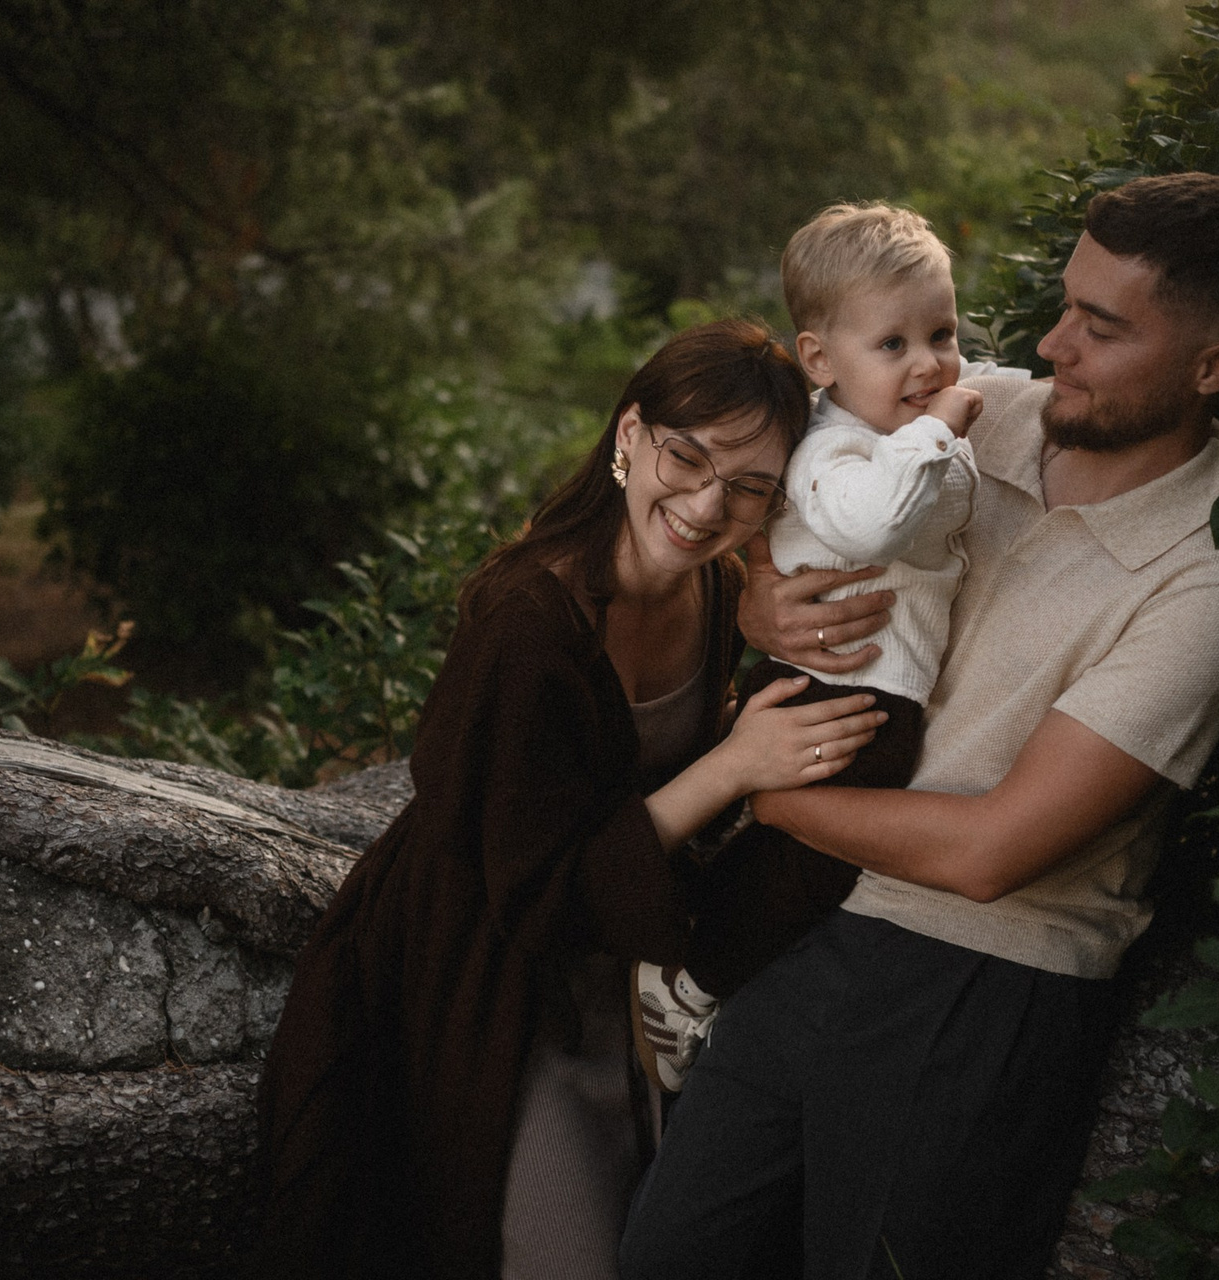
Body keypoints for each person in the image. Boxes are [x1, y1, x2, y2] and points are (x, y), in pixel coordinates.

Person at [621, 171, 1219, 1279]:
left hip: (977, 990)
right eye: (1066, 305)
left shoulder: (1209, 585)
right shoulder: (983, 411)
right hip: (803, 922)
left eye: (1101, 327)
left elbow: (992, 853)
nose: (1053, 343)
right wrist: (759, 590)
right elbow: (785, 486)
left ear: (1213, 366)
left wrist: (759, 787)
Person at [252, 319, 888, 1280]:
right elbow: (536, 882)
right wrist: (733, 765)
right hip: (489, 957)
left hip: (626, 950)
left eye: (749, 487)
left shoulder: (716, 591)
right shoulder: (527, 624)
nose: (706, 505)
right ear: (630, 434)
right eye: (687, 457)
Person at [630, 202, 1030, 1093]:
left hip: (864, 688)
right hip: (835, 688)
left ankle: (690, 931)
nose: (929, 363)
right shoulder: (833, 449)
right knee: (811, 868)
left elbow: (972, 406)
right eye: (893, 344)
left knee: (800, 854)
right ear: (820, 360)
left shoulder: (898, 425)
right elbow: (874, 524)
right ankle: (688, 978)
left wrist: (949, 408)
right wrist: (940, 426)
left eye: (942, 334)